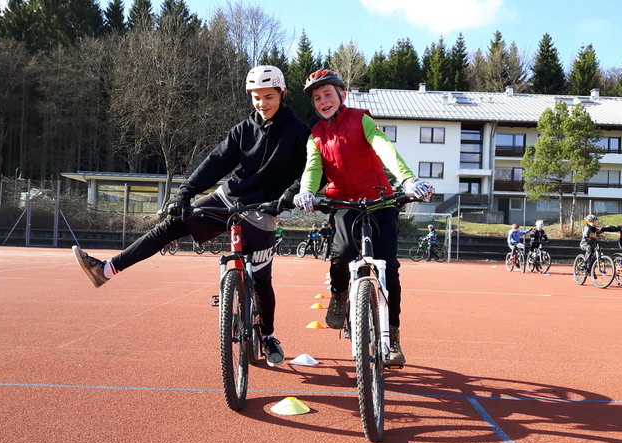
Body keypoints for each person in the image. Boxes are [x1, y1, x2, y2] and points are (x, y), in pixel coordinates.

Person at [72, 65, 310, 367]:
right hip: (229, 199)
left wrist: (289, 196)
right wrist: (185, 193)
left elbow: (310, 170)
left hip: (264, 211)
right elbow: (215, 162)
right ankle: (105, 270)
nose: (262, 104)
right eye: (256, 97)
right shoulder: (242, 131)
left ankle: (268, 335)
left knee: (261, 278)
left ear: (282, 94)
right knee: (172, 224)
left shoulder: (299, 132)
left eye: (269, 97)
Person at [292, 69, 435, 367]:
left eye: (328, 94)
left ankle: (392, 336)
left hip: (379, 199)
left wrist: (407, 180)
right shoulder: (316, 134)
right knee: (342, 253)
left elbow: (384, 147)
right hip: (343, 201)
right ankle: (340, 294)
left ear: (342, 95)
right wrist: (307, 190)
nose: (323, 101)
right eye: (317, 98)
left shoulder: (361, 119)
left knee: (389, 269)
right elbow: (314, 167)